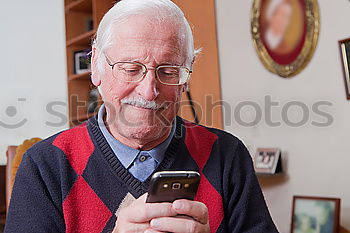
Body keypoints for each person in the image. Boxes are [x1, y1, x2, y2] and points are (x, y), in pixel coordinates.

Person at [5, 0, 279, 232]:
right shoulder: (44, 165)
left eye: (169, 71)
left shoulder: (227, 154)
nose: (149, 92)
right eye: (130, 68)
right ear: (96, 67)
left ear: (186, 78)